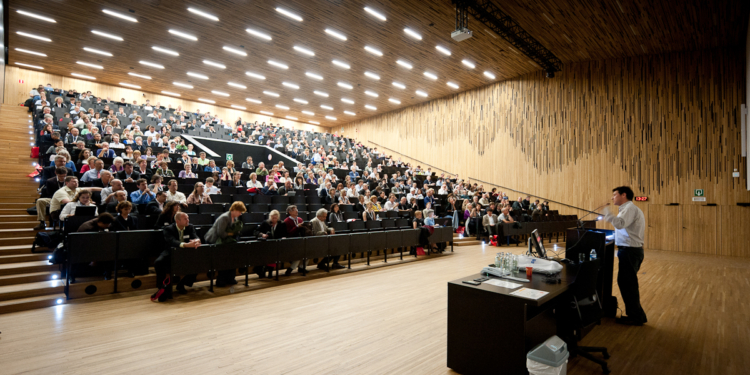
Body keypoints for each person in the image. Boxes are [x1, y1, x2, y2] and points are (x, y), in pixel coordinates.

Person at [602, 186, 647, 326]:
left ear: (623, 195)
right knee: (627, 283)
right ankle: (637, 315)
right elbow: (625, 230)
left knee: (628, 284)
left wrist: (607, 214)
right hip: (629, 251)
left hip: (630, 252)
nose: (612, 197)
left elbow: (620, 224)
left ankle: (636, 316)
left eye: (614, 194)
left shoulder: (629, 209)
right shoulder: (627, 209)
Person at [153, 212, 201, 301]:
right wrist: (185, 245)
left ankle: (182, 284)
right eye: (185, 219)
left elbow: (195, 237)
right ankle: (162, 288)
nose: (188, 220)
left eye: (188, 218)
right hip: (171, 251)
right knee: (158, 262)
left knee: (200, 261)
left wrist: (197, 241)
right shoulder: (168, 229)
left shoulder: (190, 227)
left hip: (186, 253)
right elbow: (172, 241)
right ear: (178, 221)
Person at [206, 202, 247, 286]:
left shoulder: (235, 218)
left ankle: (230, 278)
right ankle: (221, 280)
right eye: (240, 211)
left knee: (232, 258)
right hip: (216, 241)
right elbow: (221, 233)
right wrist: (232, 234)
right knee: (223, 260)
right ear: (235, 210)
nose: (240, 214)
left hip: (227, 242)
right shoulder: (224, 217)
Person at [254, 210, 287, 278]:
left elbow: (285, 234)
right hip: (266, 245)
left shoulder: (282, 223)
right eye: (272, 218)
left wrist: (284, 238)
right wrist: (262, 235)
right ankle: (261, 271)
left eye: (275, 218)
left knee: (273, 257)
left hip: (277, 244)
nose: (274, 219)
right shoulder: (265, 223)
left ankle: (270, 272)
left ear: (278, 217)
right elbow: (256, 232)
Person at [283, 205, 305, 275]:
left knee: (307, 253)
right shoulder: (286, 221)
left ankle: (301, 268)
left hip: (300, 240)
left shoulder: (300, 219)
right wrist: (297, 227)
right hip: (292, 241)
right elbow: (288, 233)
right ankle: (291, 269)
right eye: (295, 210)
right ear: (290, 212)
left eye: (297, 209)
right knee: (298, 255)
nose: (297, 211)